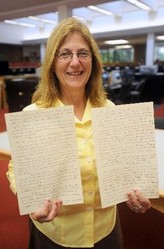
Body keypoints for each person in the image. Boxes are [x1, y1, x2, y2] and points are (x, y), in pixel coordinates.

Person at [6, 17, 151, 249]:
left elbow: (125, 168)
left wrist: (137, 192)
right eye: (65, 54)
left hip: (105, 230)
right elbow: (17, 169)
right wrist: (30, 200)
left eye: (83, 53)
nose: (75, 62)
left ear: (93, 60)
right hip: (56, 234)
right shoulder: (34, 114)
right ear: (53, 61)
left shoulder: (110, 111)